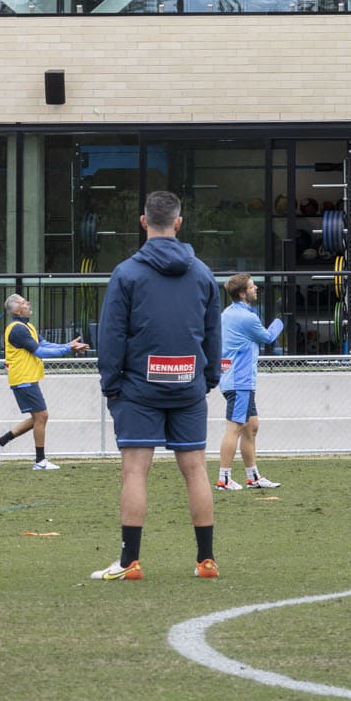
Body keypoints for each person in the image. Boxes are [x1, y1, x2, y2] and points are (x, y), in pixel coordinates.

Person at [92, 191, 224, 581]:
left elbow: (112, 335)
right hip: (188, 385)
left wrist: (110, 384)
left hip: (137, 388)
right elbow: (212, 332)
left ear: (143, 222)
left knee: (135, 471)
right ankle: (206, 561)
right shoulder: (202, 273)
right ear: (179, 223)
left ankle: (130, 561)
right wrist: (209, 378)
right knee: (196, 469)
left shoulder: (127, 273)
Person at [0, 293, 88, 468]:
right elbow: (39, 352)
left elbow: (45, 345)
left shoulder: (27, 327)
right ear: (18, 311)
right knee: (42, 416)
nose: (28, 303)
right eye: (23, 302)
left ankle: (0, 442)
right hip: (23, 379)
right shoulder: (17, 329)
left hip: (27, 378)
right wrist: (68, 348)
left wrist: (69, 345)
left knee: (38, 418)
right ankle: (40, 461)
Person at [215, 274, 284, 491]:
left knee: (251, 427)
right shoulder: (247, 318)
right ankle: (224, 479)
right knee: (234, 429)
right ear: (243, 293)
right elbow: (267, 337)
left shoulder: (227, 314)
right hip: (240, 381)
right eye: (253, 287)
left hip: (234, 380)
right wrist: (281, 321)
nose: (256, 290)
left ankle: (252, 476)